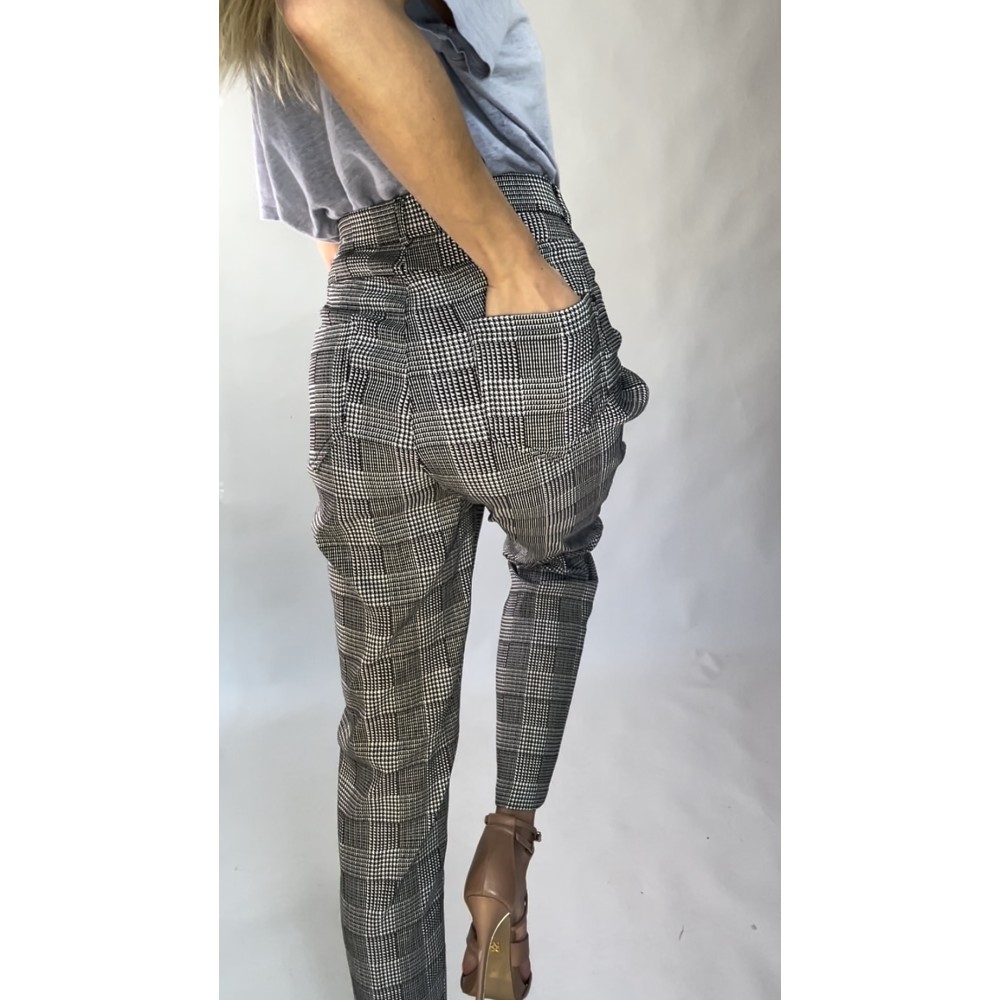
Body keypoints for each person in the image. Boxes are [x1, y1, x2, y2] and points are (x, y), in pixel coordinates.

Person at [219, 2, 649, 998]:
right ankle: (508, 842)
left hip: (361, 332)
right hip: (504, 281)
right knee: (553, 561)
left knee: (388, 750)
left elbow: (330, 228)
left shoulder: (249, 27)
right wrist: (512, 261)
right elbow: (328, 9)